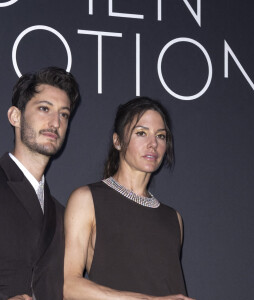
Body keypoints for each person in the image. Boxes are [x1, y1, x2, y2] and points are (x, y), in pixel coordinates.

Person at [64, 97, 194, 300]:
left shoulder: (173, 218)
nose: (153, 144)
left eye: (161, 136)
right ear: (117, 141)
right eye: (141, 133)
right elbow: (68, 285)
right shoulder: (87, 200)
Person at [0, 67, 80, 300]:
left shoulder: (62, 213)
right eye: (44, 109)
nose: (55, 122)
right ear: (15, 116)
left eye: (64, 114)